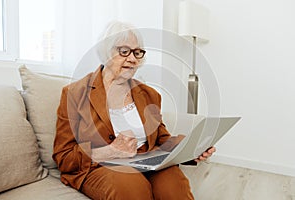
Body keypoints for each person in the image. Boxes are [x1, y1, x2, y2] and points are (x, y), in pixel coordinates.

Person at [53, 21, 216, 200]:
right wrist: (109, 151)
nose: (132, 59)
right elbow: (63, 157)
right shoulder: (74, 94)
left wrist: (193, 148)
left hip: (146, 161)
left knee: (174, 184)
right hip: (101, 167)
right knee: (132, 187)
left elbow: (161, 140)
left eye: (137, 52)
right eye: (124, 51)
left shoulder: (149, 95)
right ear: (107, 52)